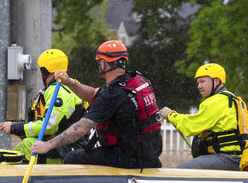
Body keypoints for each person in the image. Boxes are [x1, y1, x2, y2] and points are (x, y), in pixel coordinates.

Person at [31, 39, 163, 169]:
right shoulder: (135, 81)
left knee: (73, 157)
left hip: (128, 158)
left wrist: (47, 145)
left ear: (104, 65)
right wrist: (70, 82)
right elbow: (94, 93)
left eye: (100, 62)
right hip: (149, 154)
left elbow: (81, 129)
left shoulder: (112, 94)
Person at [0, 48, 88, 163]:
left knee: (28, 145)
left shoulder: (58, 91)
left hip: (68, 150)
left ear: (44, 71)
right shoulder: (67, 86)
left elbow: (50, 125)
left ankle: (30, 179)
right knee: (29, 142)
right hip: (67, 146)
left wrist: (15, 127)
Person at [159, 63, 248, 170]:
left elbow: (190, 126)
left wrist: (171, 114)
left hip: (228, 159)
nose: (199, 86)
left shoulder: (215, 102)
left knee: (178, 172)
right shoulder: (231, 99)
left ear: (216, 81)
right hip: (239, 157)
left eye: (202, 81)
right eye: (198, 83)